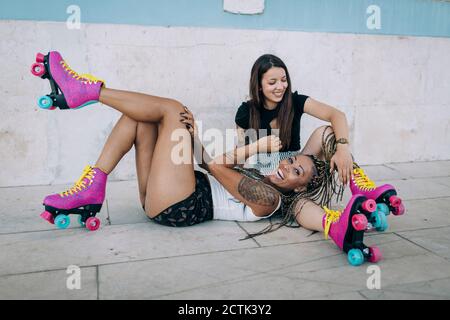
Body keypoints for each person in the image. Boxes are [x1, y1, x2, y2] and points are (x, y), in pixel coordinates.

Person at [34, 51, 402, 265]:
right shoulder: (258, 150)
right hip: (174, 191)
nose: (287, 163)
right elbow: (207, 162)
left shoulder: (271, 200)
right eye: (292, 161)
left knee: (171, 109)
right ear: (258, 84)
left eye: (296, 170)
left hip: (182, 203)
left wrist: (256, 147)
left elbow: (213, 166)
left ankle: (88, 90)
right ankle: (92, 188)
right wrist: (193, 137)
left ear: (300, 188)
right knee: (139, 117)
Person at [235, 54, 354, 186]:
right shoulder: (246, 111)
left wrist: (342, 148)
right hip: (262, 172)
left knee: (326, 132)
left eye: (283, 80)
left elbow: (337, 115)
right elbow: (240, 154)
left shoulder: (296, 101)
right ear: (258, 85)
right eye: (272, 82)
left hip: (294, 169)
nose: (280, 87)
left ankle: (311, 187)